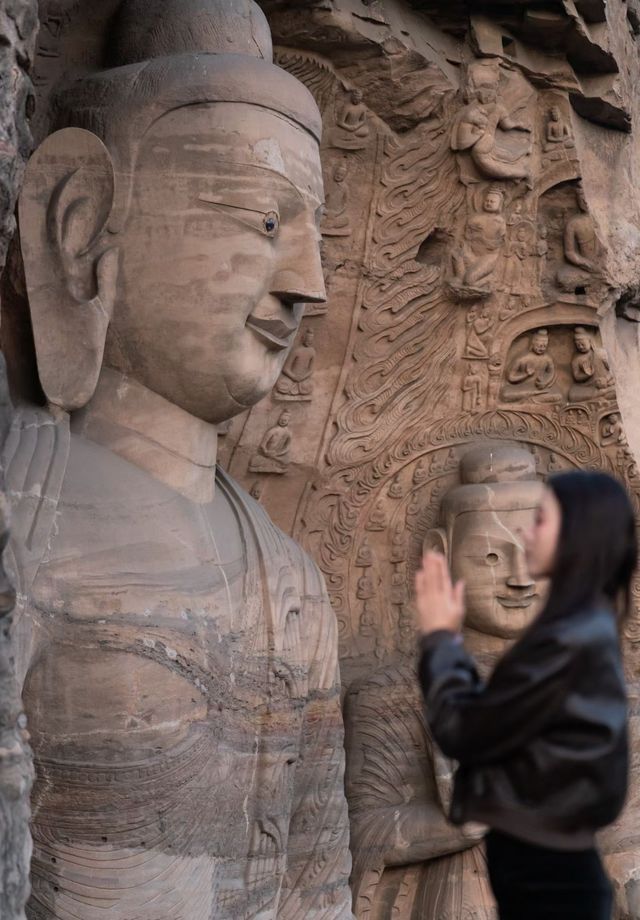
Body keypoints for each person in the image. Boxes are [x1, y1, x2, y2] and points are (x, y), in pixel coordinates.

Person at [415, 470, 636, 919]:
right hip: (542, 877)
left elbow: (464, 731)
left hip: (551, 886)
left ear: (577, 537)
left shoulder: (568, 643)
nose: (526, 534)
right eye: (492, 555)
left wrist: (440, 638)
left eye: (540, 520)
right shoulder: (577, 632)